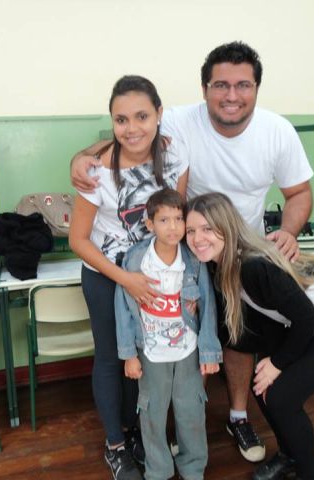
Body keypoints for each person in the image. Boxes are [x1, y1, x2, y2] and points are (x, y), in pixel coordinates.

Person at [71, 41, 313, 463]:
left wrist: (287, 232)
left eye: (243, 85)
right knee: (135, 351)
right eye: (221, 85)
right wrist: (82, 155)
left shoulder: (262, 134)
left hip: (207, 261)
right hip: (148, 264)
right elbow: (126, 142)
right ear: (205, 89)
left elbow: (295, 194)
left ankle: (208, 422)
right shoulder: (152, 141)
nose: (231, 95)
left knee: (213, 341)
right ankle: (134, 439)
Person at [185, 192, 314, 480]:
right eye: (191, 230)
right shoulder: (222, 264)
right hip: (310, 320)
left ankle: (308, 474)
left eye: (207, 229)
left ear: (227, 227)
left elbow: (307, 317)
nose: (197, 238)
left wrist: (278, 363)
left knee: (282, 398)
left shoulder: (252, 265)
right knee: (262, 387)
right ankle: (290, 456)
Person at [68, 75, 188, 480]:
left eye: (141, 116)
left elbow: (177, 217)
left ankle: (137, 431)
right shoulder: (96, 171)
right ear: (112, 123)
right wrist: (124, 278)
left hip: (152, 277)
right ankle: (115, 445)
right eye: (121, 120)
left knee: (144, 354)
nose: (132, 128)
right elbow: (78, 240)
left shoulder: (175, 156)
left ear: (159, 114)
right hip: (105, 277)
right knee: (111, 356)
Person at [115, 188, 222, 480]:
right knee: (152, 414)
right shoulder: (136, 259)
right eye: (164, 220)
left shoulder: (192, 260)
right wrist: (129, 355)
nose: (173, 227)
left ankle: (193, 468)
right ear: (150, 224)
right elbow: (123, 308)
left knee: (191, 411)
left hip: (188, 350)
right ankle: (158, 471)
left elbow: (208, 305)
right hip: (150, 352)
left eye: (178, 219)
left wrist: (209, 351)